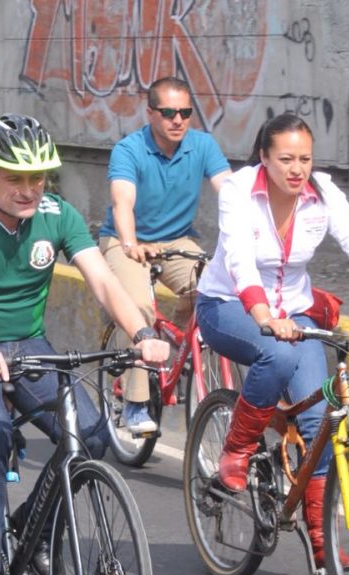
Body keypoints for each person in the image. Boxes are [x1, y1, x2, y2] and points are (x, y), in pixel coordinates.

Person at [0, 114, 171, 575]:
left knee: (93, 437)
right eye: (15, 178)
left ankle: (32, 528)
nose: (28, 190)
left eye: (36, 178)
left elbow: (104, 282)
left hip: (27, 344)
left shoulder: (59, 215)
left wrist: (143, 333)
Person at [196, 112, 349, 570]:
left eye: (304, 158)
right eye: (285, 158)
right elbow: (240, 260)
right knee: (277, 354)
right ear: (264, 157)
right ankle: (236, 450)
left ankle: (321, 538)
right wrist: (262, 314)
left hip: (296, 314)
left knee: (321, 418)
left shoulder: (323, 193)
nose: (296, 169)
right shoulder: (238, 192)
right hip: (228, 306)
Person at [97, 76, 232, 436]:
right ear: (151, 113)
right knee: (138, 307)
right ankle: (136, 403)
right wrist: (130, 244)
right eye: (169, 112)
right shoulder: (129, 149)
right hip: (126, 241)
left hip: (177, 240)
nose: (178, 120)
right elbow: (122, 202)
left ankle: (179, 342)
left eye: (185, 112)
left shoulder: (202, 145)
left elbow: (230, 193)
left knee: (214, 288)